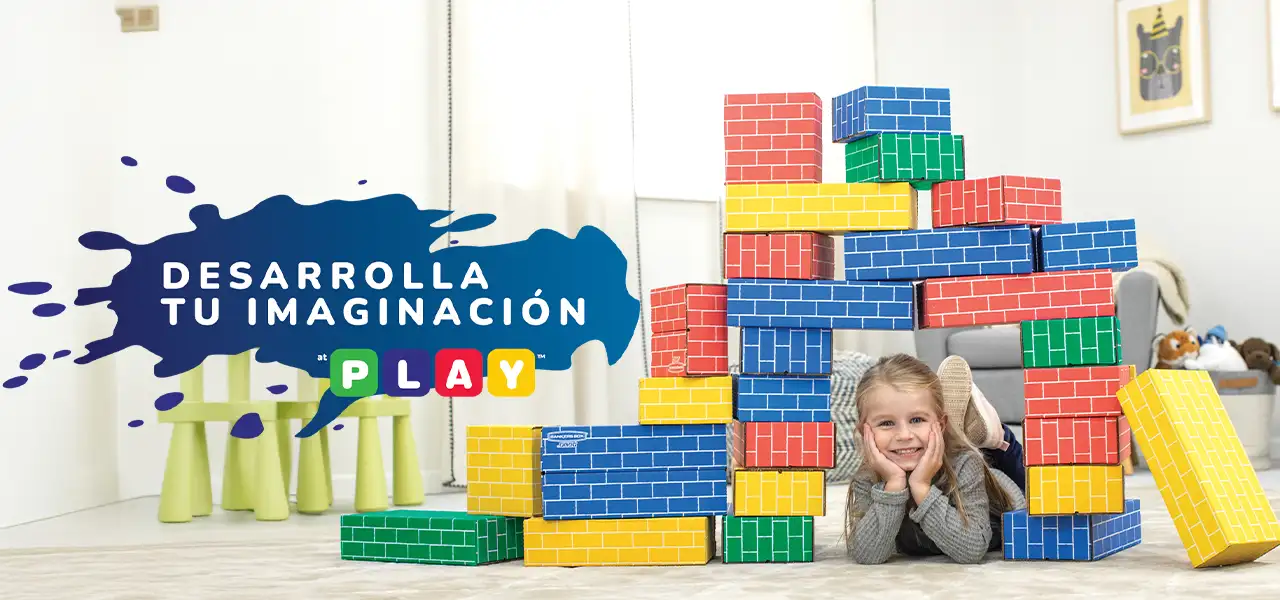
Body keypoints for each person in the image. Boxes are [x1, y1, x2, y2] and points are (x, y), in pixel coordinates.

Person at [843, 354, 1028, 565]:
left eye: (916, 419)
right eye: (886, 423)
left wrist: (921, 487)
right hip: (947, 450)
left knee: (1042, 485)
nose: (904, 435)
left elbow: (972, 550)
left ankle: (996, 436)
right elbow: (867, 555)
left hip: (1010, 493)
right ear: (863, 432)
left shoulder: (966, 465)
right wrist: (893, 485)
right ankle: (959, 430)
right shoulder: (868, 477)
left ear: (940, 425)